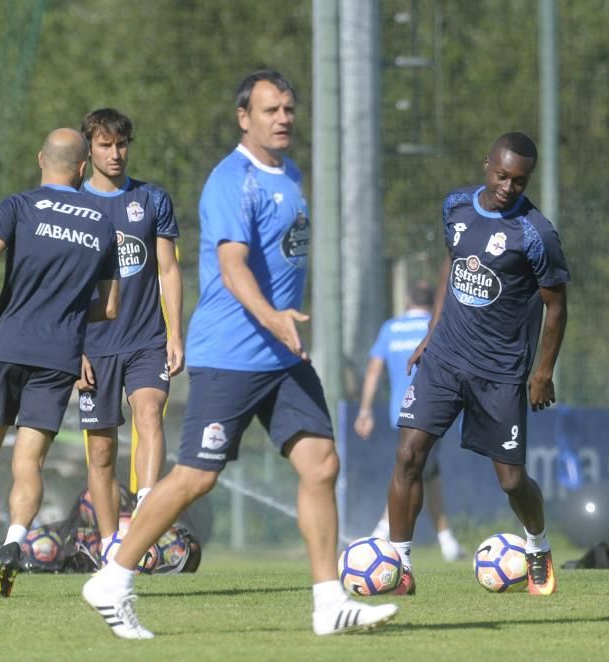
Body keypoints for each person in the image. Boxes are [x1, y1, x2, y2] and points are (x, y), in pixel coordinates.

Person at [81, 70, 397, 639]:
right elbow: (231, 266)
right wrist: (274, 316)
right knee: (196, 478)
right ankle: (113, 578)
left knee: (322, 463)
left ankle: (329, 602)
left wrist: (282, 328)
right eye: (270, 109)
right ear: (243, 117)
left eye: (289, 109)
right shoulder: (232, 181)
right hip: (231, 354)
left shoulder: (291, 174)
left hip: (281, 357)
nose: (283, 118)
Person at [0, 128, 120, 598]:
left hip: (6, 347)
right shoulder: (102, 224)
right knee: (29, 462)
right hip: (58, 358)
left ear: (43, 160)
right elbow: (110, 307)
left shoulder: (17, 206)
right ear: (83, 168)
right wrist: (71, 311)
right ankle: (14, 542)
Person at [387, 132, 569, 596]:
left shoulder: (536, 234)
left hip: (500, 373)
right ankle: (400, 566)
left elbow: (556, 306)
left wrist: (543, 372)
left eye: (520, 181)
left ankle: (537, 545)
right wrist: (431, 333)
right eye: (502, 175)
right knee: (409, 456)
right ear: (487, 164)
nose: (509, 187)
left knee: (511, 482)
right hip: (444, 359)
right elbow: (454, 263)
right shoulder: (456, 206)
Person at [75, 108, 183, 563]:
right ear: (89, 150)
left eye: (121, 145)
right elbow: (64, 286)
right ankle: (108, 544)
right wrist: (71, 349)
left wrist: (176, 333)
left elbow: (169, 268)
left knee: (150, 412)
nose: (115, 153)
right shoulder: (72, 206)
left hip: (146, 340)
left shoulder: (152, 199)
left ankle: (144, 513)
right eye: (105, 145)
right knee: (101, 453)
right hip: (93, 348)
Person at [354, 281, 463, 561]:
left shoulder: (391, 328)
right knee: (416, 470)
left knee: (422, 470)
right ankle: (385, 532)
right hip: (433, 410)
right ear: (433, 301)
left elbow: (373, 368)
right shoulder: (439, 324)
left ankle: (444, 538)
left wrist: (365, 410)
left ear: (407, 300)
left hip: (398, 413)